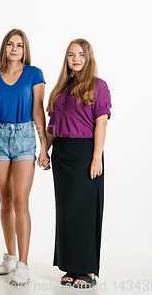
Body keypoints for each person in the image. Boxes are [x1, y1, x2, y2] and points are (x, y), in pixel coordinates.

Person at [45, 39, 111, 289]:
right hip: (62, 152)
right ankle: (71, 267)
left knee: (83, 210)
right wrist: (45, 149)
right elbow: (53, 124)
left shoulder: (98, 86)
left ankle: (88, 270)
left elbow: (101, 123)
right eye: (71, 55)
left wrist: (96, 157)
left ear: (88, 57)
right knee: (66, 211)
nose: (76, 59)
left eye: (81, 54)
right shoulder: (62, 89)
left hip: (85, 152)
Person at [0, 29, 48, 285]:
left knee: (22, 200)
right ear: (4, 48)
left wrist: (44, 146)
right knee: (6, 200)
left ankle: (23, 263)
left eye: (19, 45)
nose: (14, 49)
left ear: (25, 49)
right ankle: (10, 256)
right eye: (10, 44)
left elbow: (38, 111)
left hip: (24, 137)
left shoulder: (34, 74)